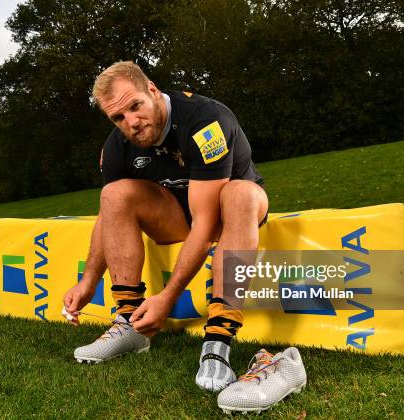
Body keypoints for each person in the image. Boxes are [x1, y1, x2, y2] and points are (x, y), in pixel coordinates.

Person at [62, 61, 268, 392]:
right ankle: (131, 324)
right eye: (118, 117)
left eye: (135, 106)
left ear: (153, 90)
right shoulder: (118, 144)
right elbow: (109, 215)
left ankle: (218, 339)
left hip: (230, 215)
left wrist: (168, 297)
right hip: (177, 217)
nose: (130, 122)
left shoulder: (205, 122)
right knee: (114, 194)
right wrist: (87, 281)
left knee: (239, 193)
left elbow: (206, 223)